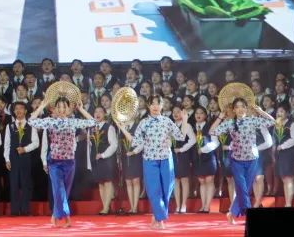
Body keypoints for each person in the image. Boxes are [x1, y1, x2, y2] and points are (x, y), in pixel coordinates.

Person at [30, 96, 105, 226]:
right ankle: (67, 217)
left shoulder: (73, 122)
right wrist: (42, 106)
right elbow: (31, 121)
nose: (61, 109)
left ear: (69, 109)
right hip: (54, 162)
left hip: (69, 162)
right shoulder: (50, 121)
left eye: (64, 107)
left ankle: (55, 215)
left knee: (65, 190)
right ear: (54, 109)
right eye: (59, 107)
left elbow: (93, 122)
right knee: (58, 190)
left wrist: (81, 109)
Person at [118, 95, 186, 229]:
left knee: (167, 189)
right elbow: (135, 141)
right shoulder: (143, 123)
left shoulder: (167, 121)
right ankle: (160, 220)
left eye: (158, 103)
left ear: (162, 106)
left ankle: (157, 215)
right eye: (152, 104)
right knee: (154, 190)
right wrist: (123, 128)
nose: (155, 106)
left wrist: (185, 120)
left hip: (166, 158)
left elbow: (181, 137)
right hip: (150, 159)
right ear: (148, 106)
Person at [209, 99, 274, 224]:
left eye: (243, 106)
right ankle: (247, 213)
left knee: (245, 189)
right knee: (241, 187)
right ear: (233, 110)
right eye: (237, 107)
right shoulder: (229, 123)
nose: (240, 109)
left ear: (246, 108)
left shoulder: (252, 120)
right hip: (236, 159)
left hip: (252, 159)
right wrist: (220, 117)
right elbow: (212, 131)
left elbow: (272, 121)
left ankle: (232, 213)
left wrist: (261, 112)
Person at [4, 101, 38, 216]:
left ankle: (25, 210)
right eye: (16, 109)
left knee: (25, 184)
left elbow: (36, 143)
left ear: (25, 111)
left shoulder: (31, 125)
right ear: (13, 111)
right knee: (13, 184)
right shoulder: (10, 126)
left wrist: (25, 149)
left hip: (26, 158)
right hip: (13, 158)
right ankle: (14, 210)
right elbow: (7, 144)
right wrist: (7, 159)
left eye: (21, 108)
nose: (19, 110)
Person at [87, 106, 119, 215]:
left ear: (105, 114)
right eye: (96, 111)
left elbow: (114, 145)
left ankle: (105, 208)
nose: (98, 114)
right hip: (95, 159)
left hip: (107, 159)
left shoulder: (109, 127)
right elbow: (89, 146)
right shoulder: (91, 128)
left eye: (100, 111)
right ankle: (106, 206)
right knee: (100, 183)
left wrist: (103, 155)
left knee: (108, 181)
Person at [191, 106, 219, 213]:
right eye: (196, 113)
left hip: (209, 157)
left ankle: (207, 206)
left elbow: (215, 143)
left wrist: (203, 149)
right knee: (202, 181)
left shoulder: (210, 126)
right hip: (197, 158)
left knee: (209, 180)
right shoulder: (192, 127)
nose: (198, 115)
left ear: (205, 115)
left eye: (201, 113)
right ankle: (203, 205)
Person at [272, 106, 294, 207]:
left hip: (289, 153)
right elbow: (274, 140)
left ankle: (288, 203)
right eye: (277, 112)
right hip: (279, 154)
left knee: (287, 177)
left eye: (281, 111)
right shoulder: (276, 125)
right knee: (284, 178)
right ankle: (289, 200)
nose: (279, 113)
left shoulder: (292, 124)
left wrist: (283, 146)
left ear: (287, 113)